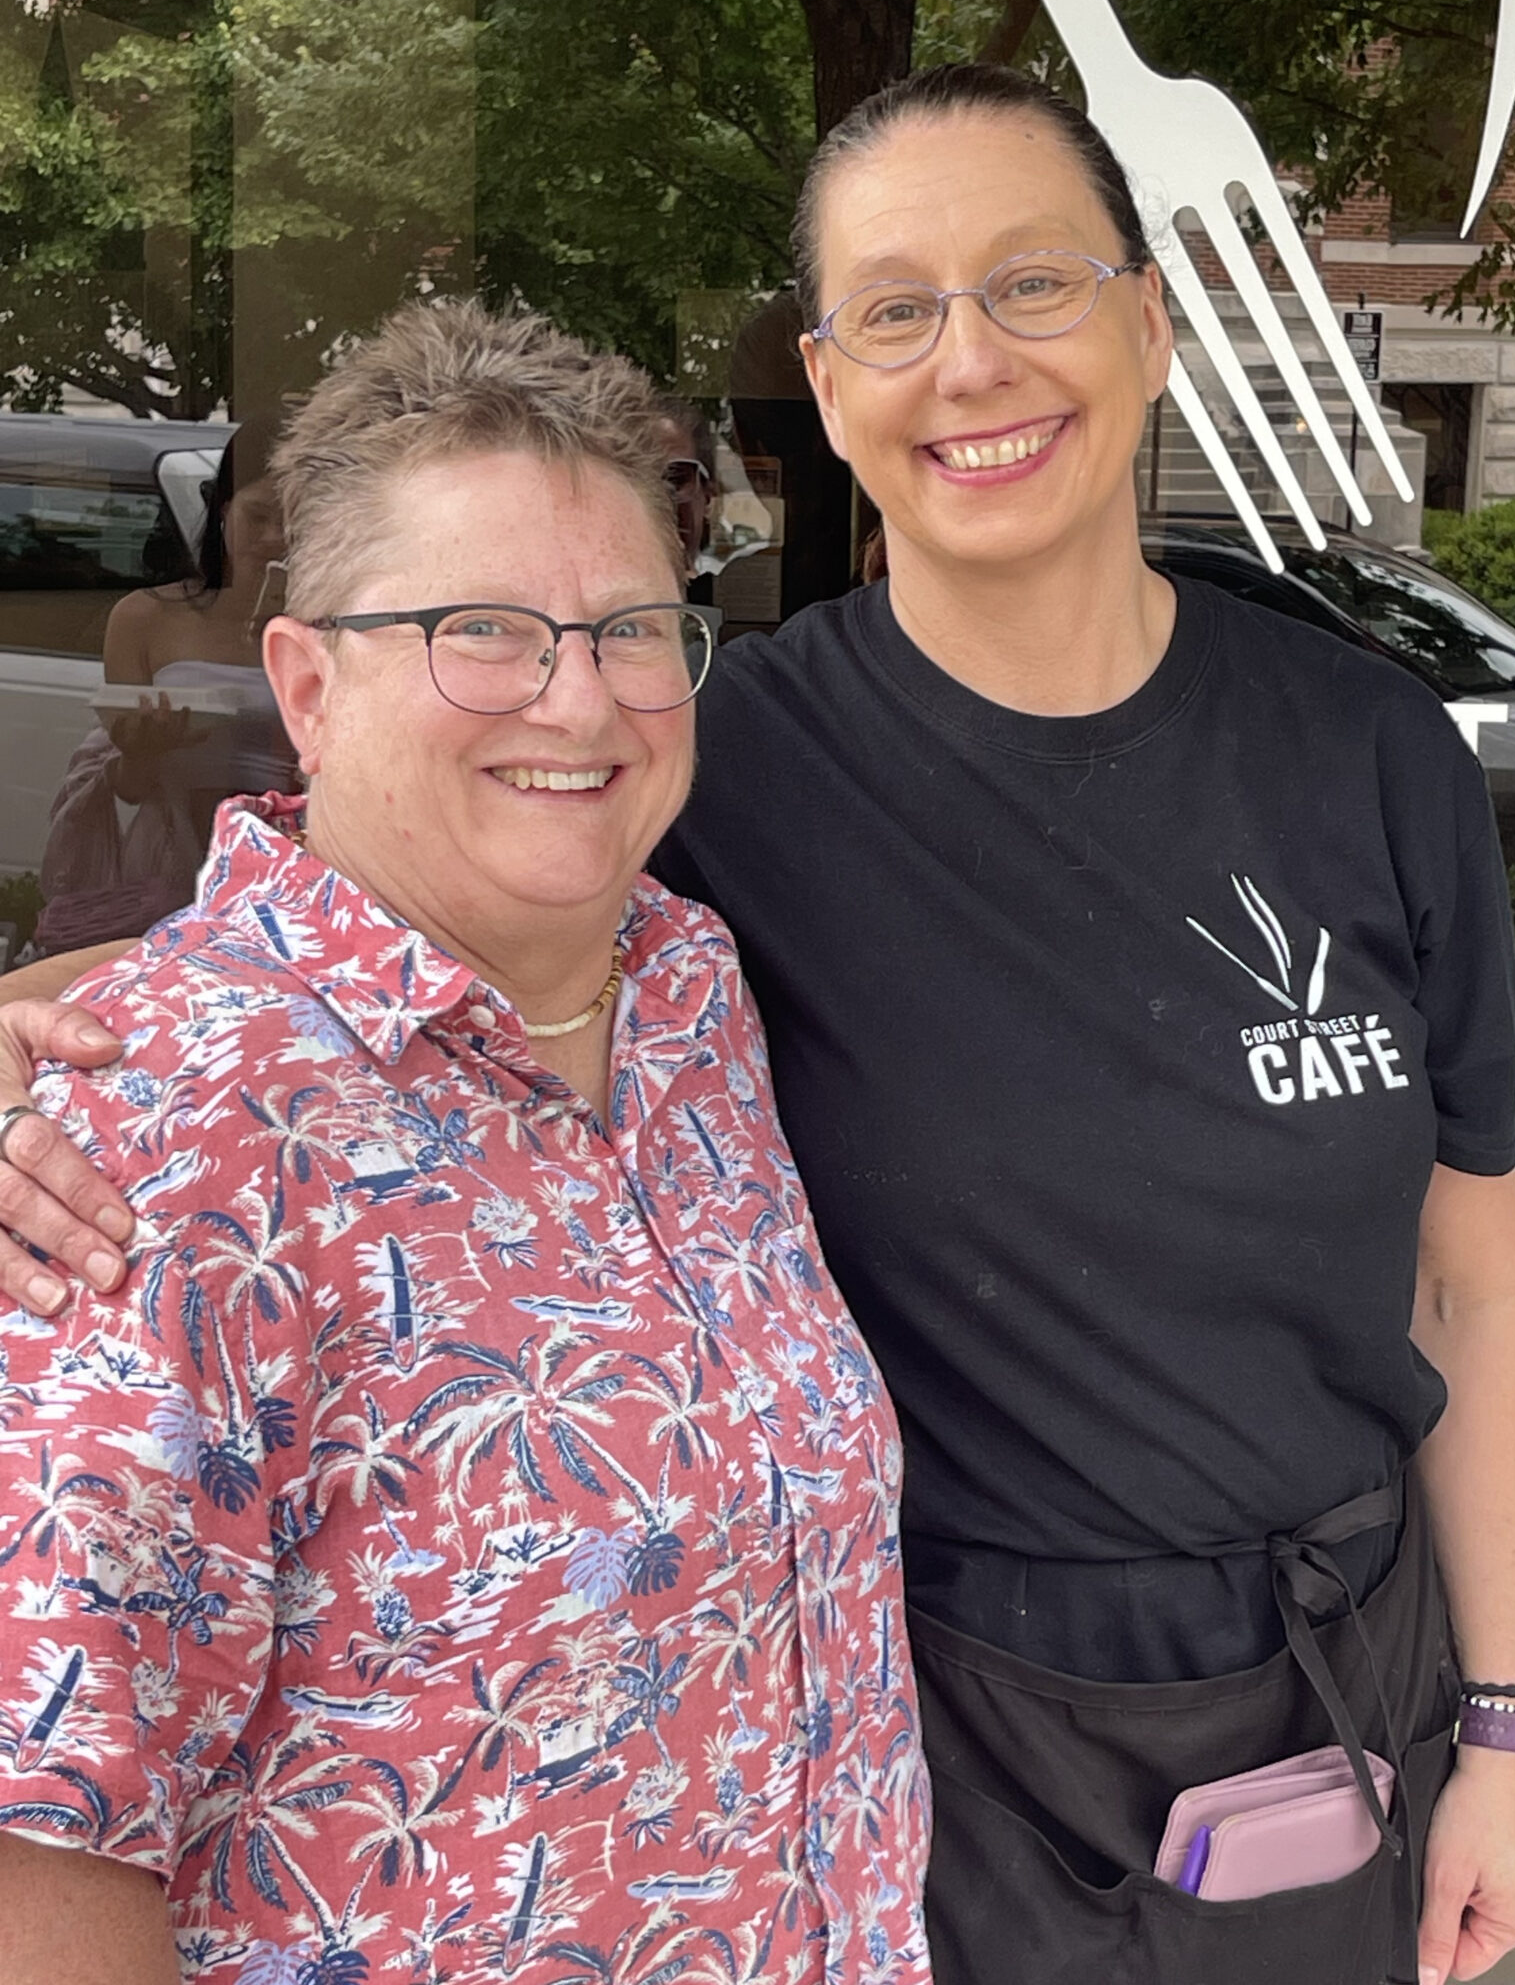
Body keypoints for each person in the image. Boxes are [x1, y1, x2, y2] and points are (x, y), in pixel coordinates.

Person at [0, 65, 1515, 1984]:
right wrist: (56, 1034)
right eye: (896, 308)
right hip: (960, 1737)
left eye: (1034, 284)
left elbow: (1468, 1274)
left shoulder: (1360, 757)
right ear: (829, 386)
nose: (970, 360)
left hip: (1323, 1693)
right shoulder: (713, 771)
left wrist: (1506, 1724)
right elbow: (354, 924)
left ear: (1152, 324)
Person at [0, 304, 928, 1985]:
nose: (576, 700)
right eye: (481, 629)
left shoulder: (690, 996)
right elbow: (40, 1851)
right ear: (307, 682)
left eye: (631, 626)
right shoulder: (168, 1141)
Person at [34, 426, 297, 957]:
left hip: (287, 854)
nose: (274, 535)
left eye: (293, 518)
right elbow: (128, 788)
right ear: (222, 511)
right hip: (171, 851)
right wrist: (141, 750)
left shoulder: (328, 627)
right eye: (257, 516)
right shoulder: (146, 616)